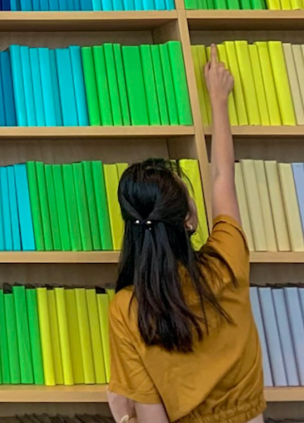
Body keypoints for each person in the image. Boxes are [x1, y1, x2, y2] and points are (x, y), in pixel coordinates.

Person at [105, 45, 265, 423]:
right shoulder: (228, 259)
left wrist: (124, 417)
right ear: (189, 220)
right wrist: (218, 101)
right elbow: (223, 176)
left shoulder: (128, 311)